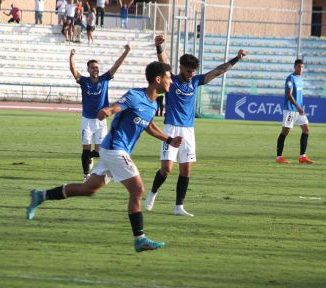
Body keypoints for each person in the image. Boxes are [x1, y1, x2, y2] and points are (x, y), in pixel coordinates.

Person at [27, 61, 182, 253]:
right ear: (158, 79)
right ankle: (139, 238)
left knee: (88, 189)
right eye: (169, 78)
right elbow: (116, 107)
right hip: (115, 149)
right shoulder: (136, 95)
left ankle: (41, 195)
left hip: (114, 151)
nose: (171, 82)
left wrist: (169, 139)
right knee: (138, 189)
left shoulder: (153, 103)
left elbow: (148, 125)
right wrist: (107, 111)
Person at [145, 35, 246, 216]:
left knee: (186, 169)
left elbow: (218, 71)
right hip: (171, 127)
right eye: (188, 70)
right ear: (181, 67)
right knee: (167, 169)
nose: (191, 73)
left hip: (188, 130)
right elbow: (163, 63)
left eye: (193, 71)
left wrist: (236, 59)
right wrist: (159, 47)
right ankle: (153, 193)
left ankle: (178, 207)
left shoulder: (196, 81)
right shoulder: (173, 80)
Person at [70, 44, 131, 181]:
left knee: (100, 151)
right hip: (87, 120)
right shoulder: (84, 81)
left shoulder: (105, 79)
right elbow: (73, 70)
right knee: (86, 149)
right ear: (88, 69)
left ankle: (93, 157)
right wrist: (72, 56)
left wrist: (126, 51)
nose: (95, 69)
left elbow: (117, 65)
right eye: (92, 67)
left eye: (97, 67)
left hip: (101, 121)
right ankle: (86, 175)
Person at [276, 59, 314, 164]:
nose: (301, 69)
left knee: (306, 130)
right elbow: (289, 95)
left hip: (299, 110)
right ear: (295, 67)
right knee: (285, 132)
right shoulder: (290, 78)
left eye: (302, 67)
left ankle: (302, 156)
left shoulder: (300, 79)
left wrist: (300, 108)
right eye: (299, 67)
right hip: (291, 110)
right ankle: (279, 157)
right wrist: (298, 107)